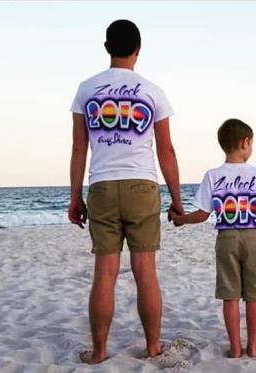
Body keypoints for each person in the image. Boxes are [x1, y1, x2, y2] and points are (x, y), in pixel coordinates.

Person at [68, 19, 183, 364]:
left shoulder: (86, 89)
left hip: (102, 183)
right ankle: (152, 347)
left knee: (105, 272)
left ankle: (100, 351)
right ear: (138, 49)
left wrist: (75, 197)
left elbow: (78, 149)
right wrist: (178, 200)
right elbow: (166, 151)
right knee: (145, 270)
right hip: (141, 184)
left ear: (107, 48)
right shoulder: (152, 91)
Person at [170, 119, 256, 358]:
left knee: (230, 295)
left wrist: (182, 219)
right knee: (254, 295)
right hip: (254, 237)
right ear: (245, 143)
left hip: (226, 238)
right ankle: (253, 346)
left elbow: (202, 214)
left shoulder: (212, 175)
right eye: (251, 144)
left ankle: (235, 347)